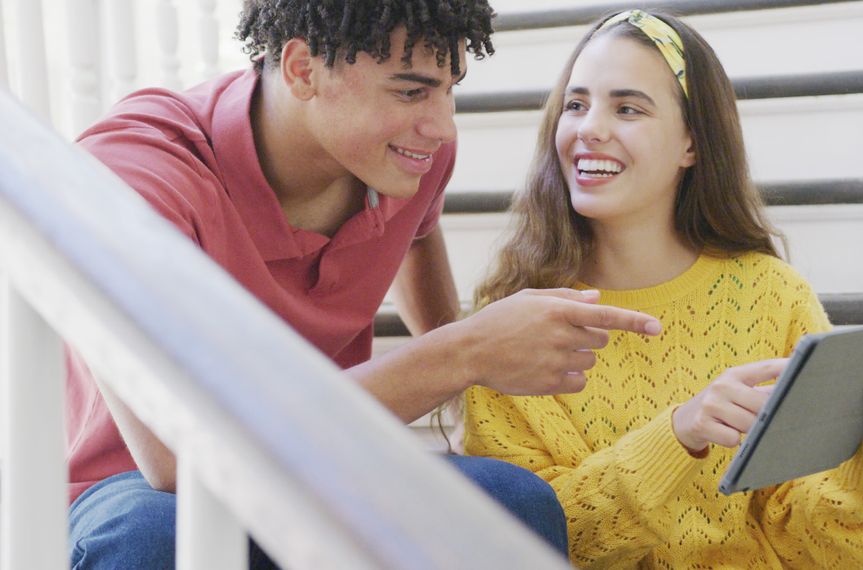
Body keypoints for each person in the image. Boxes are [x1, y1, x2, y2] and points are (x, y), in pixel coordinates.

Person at [65, 1, 666, 567]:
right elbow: (176, 459)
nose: (442, 127)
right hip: (138, 485)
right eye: (411, 91)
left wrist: (465, 386)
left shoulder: (404, 159)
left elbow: (417, 235)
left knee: (515, 502)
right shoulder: (136, 170)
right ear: (303, 69)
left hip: (322, 456)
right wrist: (463, 352)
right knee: (154, 540)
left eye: (448, 89)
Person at [463, 9, 863, 569]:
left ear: (691, 142)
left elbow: (831, 557)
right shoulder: (513, 320)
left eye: (627, 107)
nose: (589, 127)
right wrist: (678, 435)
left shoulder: (774, 297)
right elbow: (528, 543)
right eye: (576, 104)